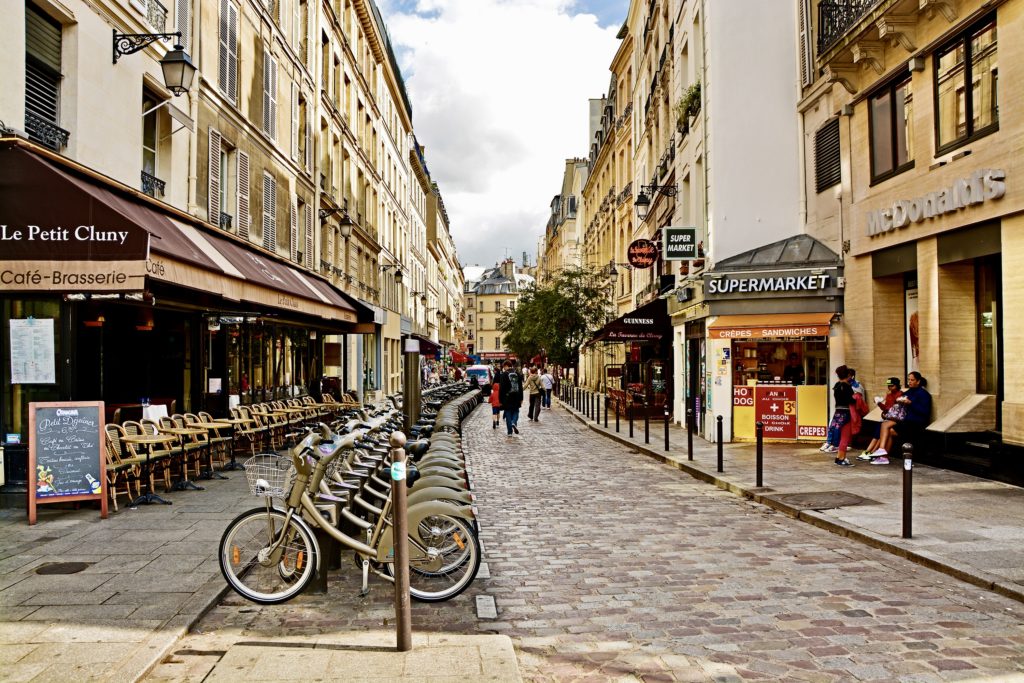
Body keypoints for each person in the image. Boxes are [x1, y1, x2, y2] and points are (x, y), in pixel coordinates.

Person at [871, 371, 932, 460]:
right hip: (905, 420)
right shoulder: (908, 392)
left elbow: (925, 412)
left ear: (918, 381)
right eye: (908, 380)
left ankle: (882, 454)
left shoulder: (924, 394)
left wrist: (910, 403)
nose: (910, 382)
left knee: (888, 429)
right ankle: (882, 453)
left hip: (915, 423)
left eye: (912, 380)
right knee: (884, 425)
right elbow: (895, 406)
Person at [858, 377, 903, 462]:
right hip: (887, 417)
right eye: (888, 386)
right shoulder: (889, 395)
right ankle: (870, 451)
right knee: (878, 432)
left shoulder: (900, 395)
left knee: (880, 432)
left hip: (895, 419)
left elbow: (895, 409)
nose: (890, 388)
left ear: (897, 385)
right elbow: (886, 408)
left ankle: (870, 451)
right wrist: (879, 403)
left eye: (892, 386)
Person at [828, 365, 856, 467]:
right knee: (845, 437)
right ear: (848, 375)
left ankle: (839, 457)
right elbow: (851, 400)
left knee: (842, 436)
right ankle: (841, 458)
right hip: (846, 413)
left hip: (837, 412)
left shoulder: (836, 385)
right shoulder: (847, 386)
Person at [498, 361, 524, 435]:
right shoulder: (518, 374)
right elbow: (520, 387)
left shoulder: (503, 375)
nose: (504, 368)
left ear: (506, 366)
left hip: (507, 397)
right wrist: (521, 398)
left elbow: (501, 389)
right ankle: (514, 422)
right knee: (516, 411)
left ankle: (509, 432)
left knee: (508, 413)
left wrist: (500, 400)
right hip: (516, 396)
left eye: (504, 367)